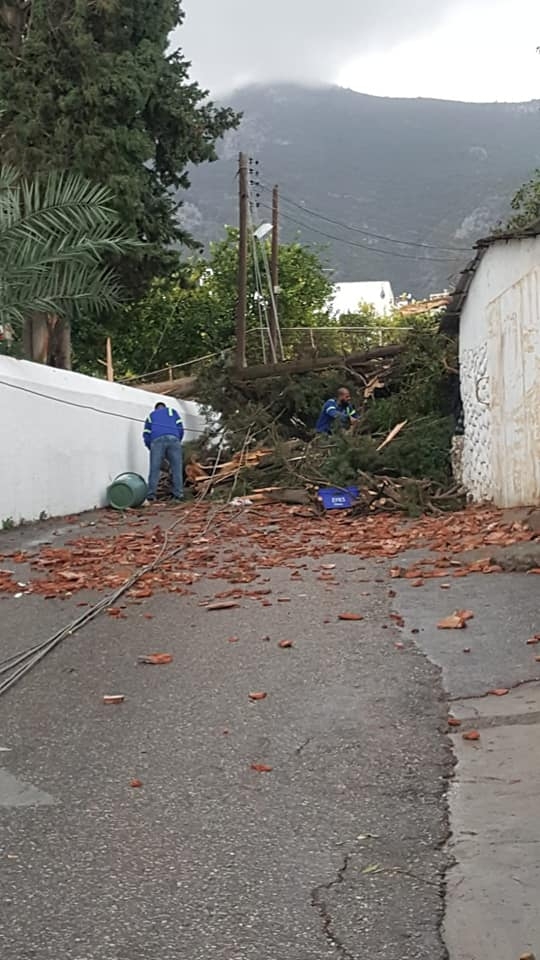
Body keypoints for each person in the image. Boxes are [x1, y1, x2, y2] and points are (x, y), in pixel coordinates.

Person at [142, 402, 184, 503]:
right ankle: (178, 495)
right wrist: (178, 440)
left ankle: (151, 496)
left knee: (154, 469)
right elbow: (180, 428)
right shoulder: (172, 412)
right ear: (164, 407)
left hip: (156, 441)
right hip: (173, 438)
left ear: (156, 409)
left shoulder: (151, 416)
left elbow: (146, 435)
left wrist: (150, 447)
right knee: (176, 467)